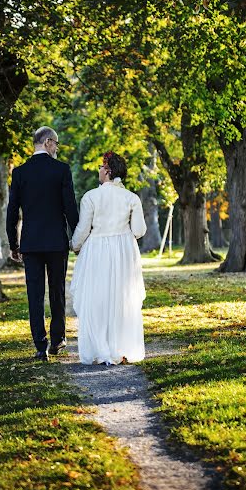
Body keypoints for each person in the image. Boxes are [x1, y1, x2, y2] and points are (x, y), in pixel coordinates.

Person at [6, 126, 79, 361]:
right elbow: (70, 208)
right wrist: (77, 236)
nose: (57, 148)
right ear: (47, 142)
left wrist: (13, 244)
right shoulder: (61, 170)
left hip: (31, 243)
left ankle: (40, 344)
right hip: (57, 242)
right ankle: (57, 340)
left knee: (34, 294)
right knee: (57, 291)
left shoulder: (19, 173)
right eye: (56, 143)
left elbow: (12, 212)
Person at [70, 151, 147, 365]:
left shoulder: (91, 196)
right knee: (121, 298)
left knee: (97, 298)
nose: (98, 170)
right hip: (123, 251)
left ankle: (99, 347)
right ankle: (120, 347)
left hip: (97, 251)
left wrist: (75, 245)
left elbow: (83, 228)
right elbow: (139, 230)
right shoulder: (132, 198)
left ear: (108, 171)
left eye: (101, 167)